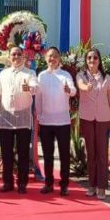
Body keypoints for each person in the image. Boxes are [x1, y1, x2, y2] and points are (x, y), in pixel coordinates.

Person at [0, 45, 38, 194]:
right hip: (5, 118)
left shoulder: (30, 73)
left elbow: (36, 87)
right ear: (9, 57)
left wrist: (29, 88)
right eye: (13, 55)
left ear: (23, 56)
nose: (16, 57)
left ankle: (22, 183)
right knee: (6, 153)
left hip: (23, 118)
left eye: (19, 54)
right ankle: (7, 182)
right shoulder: (4, 74)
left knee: (23, 152)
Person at [36, 46, 76, 196]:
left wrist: (68, 90)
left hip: (63, 121)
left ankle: (64, 184)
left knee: (64, 154)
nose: (52, 59)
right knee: (47, 155)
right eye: (50, 56)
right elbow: (38, 98)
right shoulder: (41, 76)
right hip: (46, 121)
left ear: (59, 59)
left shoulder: (65, 75)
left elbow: (73, 90)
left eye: (55, 56)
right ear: (46, 58)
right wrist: (39, 116)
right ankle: (48, 183)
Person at [75, 48, 110, 199]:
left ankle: (102, 187)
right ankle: (92, 185)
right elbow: (80, 86)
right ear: (86, 60)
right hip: (87, 118)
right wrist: (87, 87)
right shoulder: (81, 75)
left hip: (103, 118)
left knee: (102, 154)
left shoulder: (106, 77)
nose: (92, 60)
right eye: (89, 58)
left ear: (99, 60)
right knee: (91, 153)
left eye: (95, 58)